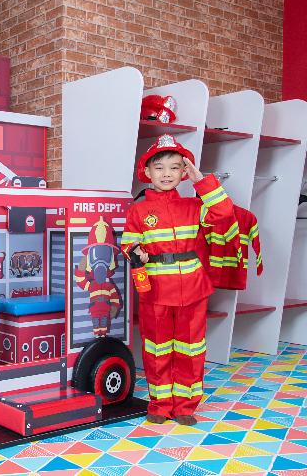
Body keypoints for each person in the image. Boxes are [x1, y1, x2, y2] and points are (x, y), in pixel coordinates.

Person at [120, 134, 235, 426]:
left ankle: (185, 406)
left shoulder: (195, 206)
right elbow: (128, 244)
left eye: (175, 167)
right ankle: (160, 404)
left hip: (193, 290)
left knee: (191, 349)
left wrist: (201, 180)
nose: (167, 174)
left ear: (184, 172)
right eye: (159, 168)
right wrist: (136, 252)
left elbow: (224, 214)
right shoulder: (138, 210)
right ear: (147, 172)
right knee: (157, 348)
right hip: (155, 290)